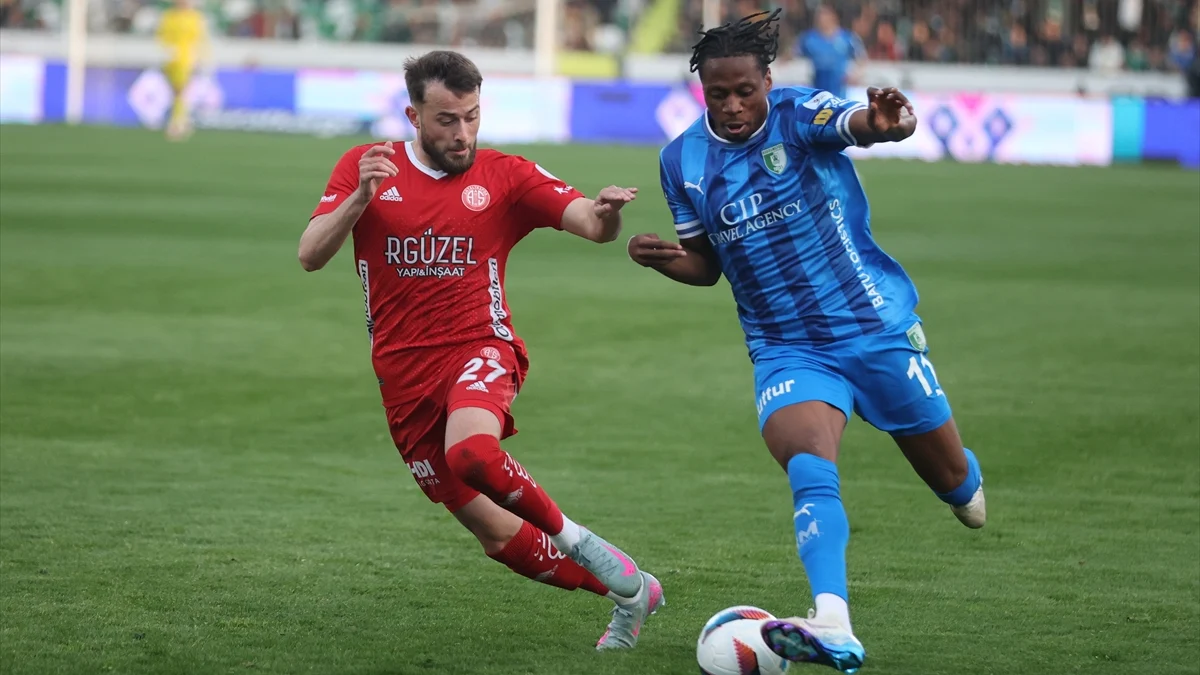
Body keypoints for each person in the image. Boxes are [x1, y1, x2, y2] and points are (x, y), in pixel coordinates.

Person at [627, 11, 985, 673]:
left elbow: (861, 124)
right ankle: (833, 621)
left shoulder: (798, 114)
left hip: (871, 327)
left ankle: (962, 478)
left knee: (961, 493)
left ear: (767, 81)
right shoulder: (682, 160)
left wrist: (887, 123)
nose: (733, 106)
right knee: (807, 459)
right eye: (718, 95)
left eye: (745, 91)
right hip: (786, 347)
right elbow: (706, 266)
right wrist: (663, 259)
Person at [299, 50, 663, 649]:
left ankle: (583, 543)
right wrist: (359, 197)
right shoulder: (367, 167)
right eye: (447, 120)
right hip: (403, 378)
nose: (463, 133)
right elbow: (310, 255)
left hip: (480, 347)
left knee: (471, 451)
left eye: (471, 116)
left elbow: (592, 225)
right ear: (414, 116)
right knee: (497, 536)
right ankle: (631, 592)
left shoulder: (504, 175)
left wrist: (607, 213)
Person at [155, 0, 209, 141]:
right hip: (171, 58)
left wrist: (200, 57)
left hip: (186, 58)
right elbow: (162, 36)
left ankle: (177, 123)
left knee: (180, 90)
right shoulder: (169, 16)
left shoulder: (195, 17)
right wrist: (166, 51)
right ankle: (182, 120)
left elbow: (199, 39)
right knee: (176, 91)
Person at [795, 5, 865, 100]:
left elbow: (861, 59)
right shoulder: (808, 38)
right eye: (819, 16)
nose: (822, 19)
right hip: (817, 89)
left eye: (825, 15)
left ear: (834, 17)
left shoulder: (848, 38)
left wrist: (855, 74)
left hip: (839, 90)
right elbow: (794, 57)